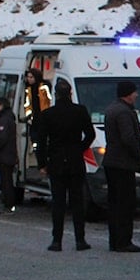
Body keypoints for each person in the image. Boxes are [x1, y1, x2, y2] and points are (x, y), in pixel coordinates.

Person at [38, 79, 96, 252]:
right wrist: (79, 148)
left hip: (56, 162)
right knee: (77, 202)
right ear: (70, 93)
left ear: (55, 94)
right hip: (75, 160)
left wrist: (43, 163)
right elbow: (90, 134)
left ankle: (57, 240)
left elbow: (41, 142)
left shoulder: (48, 114)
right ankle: (80, 239)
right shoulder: (80, 111)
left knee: (58, 203)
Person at [104, 80, 140, 252]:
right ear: (128, 94)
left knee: (114, 203)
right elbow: (128, 138)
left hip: (113, 162)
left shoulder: (112, 109)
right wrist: (138, 154)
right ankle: (124, 241)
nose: (137, 95)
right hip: (123, 163)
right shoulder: (124, 112)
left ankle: (115, 240)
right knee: (125, 203)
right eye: (134, 92)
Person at [0, 96, 18, 213]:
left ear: (2, 106)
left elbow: (2, 138)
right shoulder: (6, 117)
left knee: (6, 181)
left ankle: (8, 205)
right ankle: (8, 203)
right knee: (6, 180)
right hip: (7, 155)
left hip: (5, 155)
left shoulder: (4, 119)